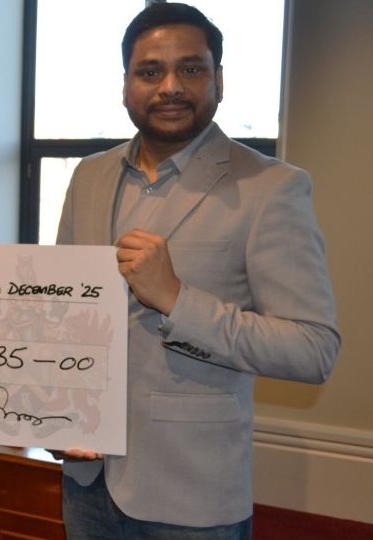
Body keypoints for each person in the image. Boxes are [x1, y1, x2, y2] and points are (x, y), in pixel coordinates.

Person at [53, 3, 340, 539]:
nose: (169, 86)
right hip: (86, 480)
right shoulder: (88, 177)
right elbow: (66, 317)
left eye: (191, 69)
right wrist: (54, 413)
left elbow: (314, 348)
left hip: (192, 496)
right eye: (149, 71)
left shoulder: (271, 188)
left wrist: (177, 299)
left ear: (219, 80)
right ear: (125, 85)